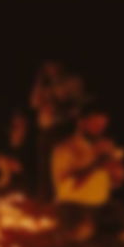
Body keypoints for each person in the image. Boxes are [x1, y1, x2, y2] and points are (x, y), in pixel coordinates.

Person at [51, 104, 124, 242]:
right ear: (82, 122)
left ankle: (99, 231)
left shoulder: (105, 146)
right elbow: (67, 184)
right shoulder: (66, 147)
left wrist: (116, 168)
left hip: (100, 206)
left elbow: (116, 183)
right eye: (96, 124)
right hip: (74, 206)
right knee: (82, 233)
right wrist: (97, 163)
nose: (100, 129)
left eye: (103, 125)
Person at [30, 61, 86, 202]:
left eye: (53, 65)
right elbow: (34, 103)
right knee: (44, 163)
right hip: (45, 127)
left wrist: (56, 101)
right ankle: (44, 195)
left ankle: (62, 196)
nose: (50, 69)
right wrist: (39, 84)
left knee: (61, 165)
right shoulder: (44, 84)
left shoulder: (72, 81)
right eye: (46, 66)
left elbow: (71, 102)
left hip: (63, 126)